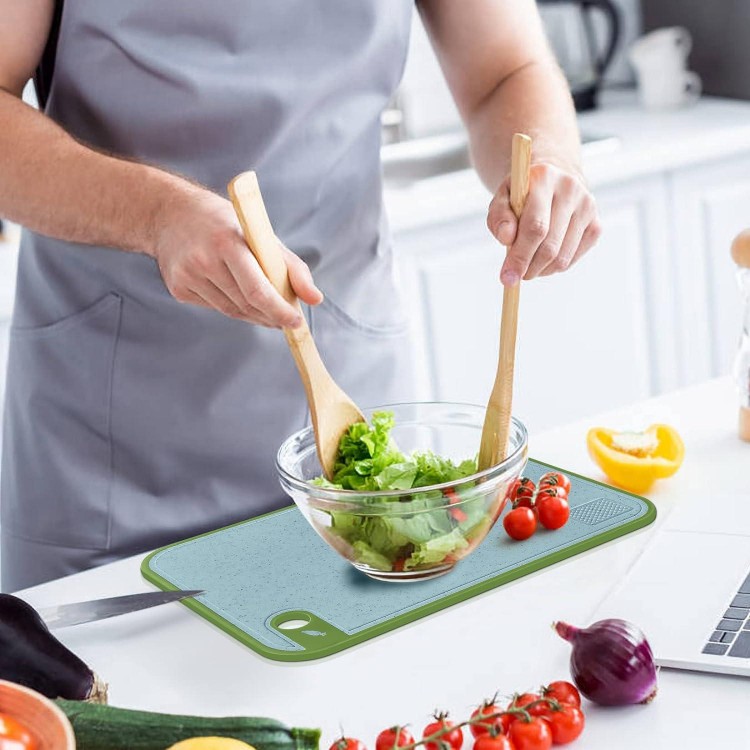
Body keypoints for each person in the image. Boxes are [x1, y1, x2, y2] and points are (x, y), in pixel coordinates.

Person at [0, 0, 601, 592]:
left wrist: (548, 159)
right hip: (110, 441)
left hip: (348, 387)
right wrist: (157, 216)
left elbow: (507, 71)